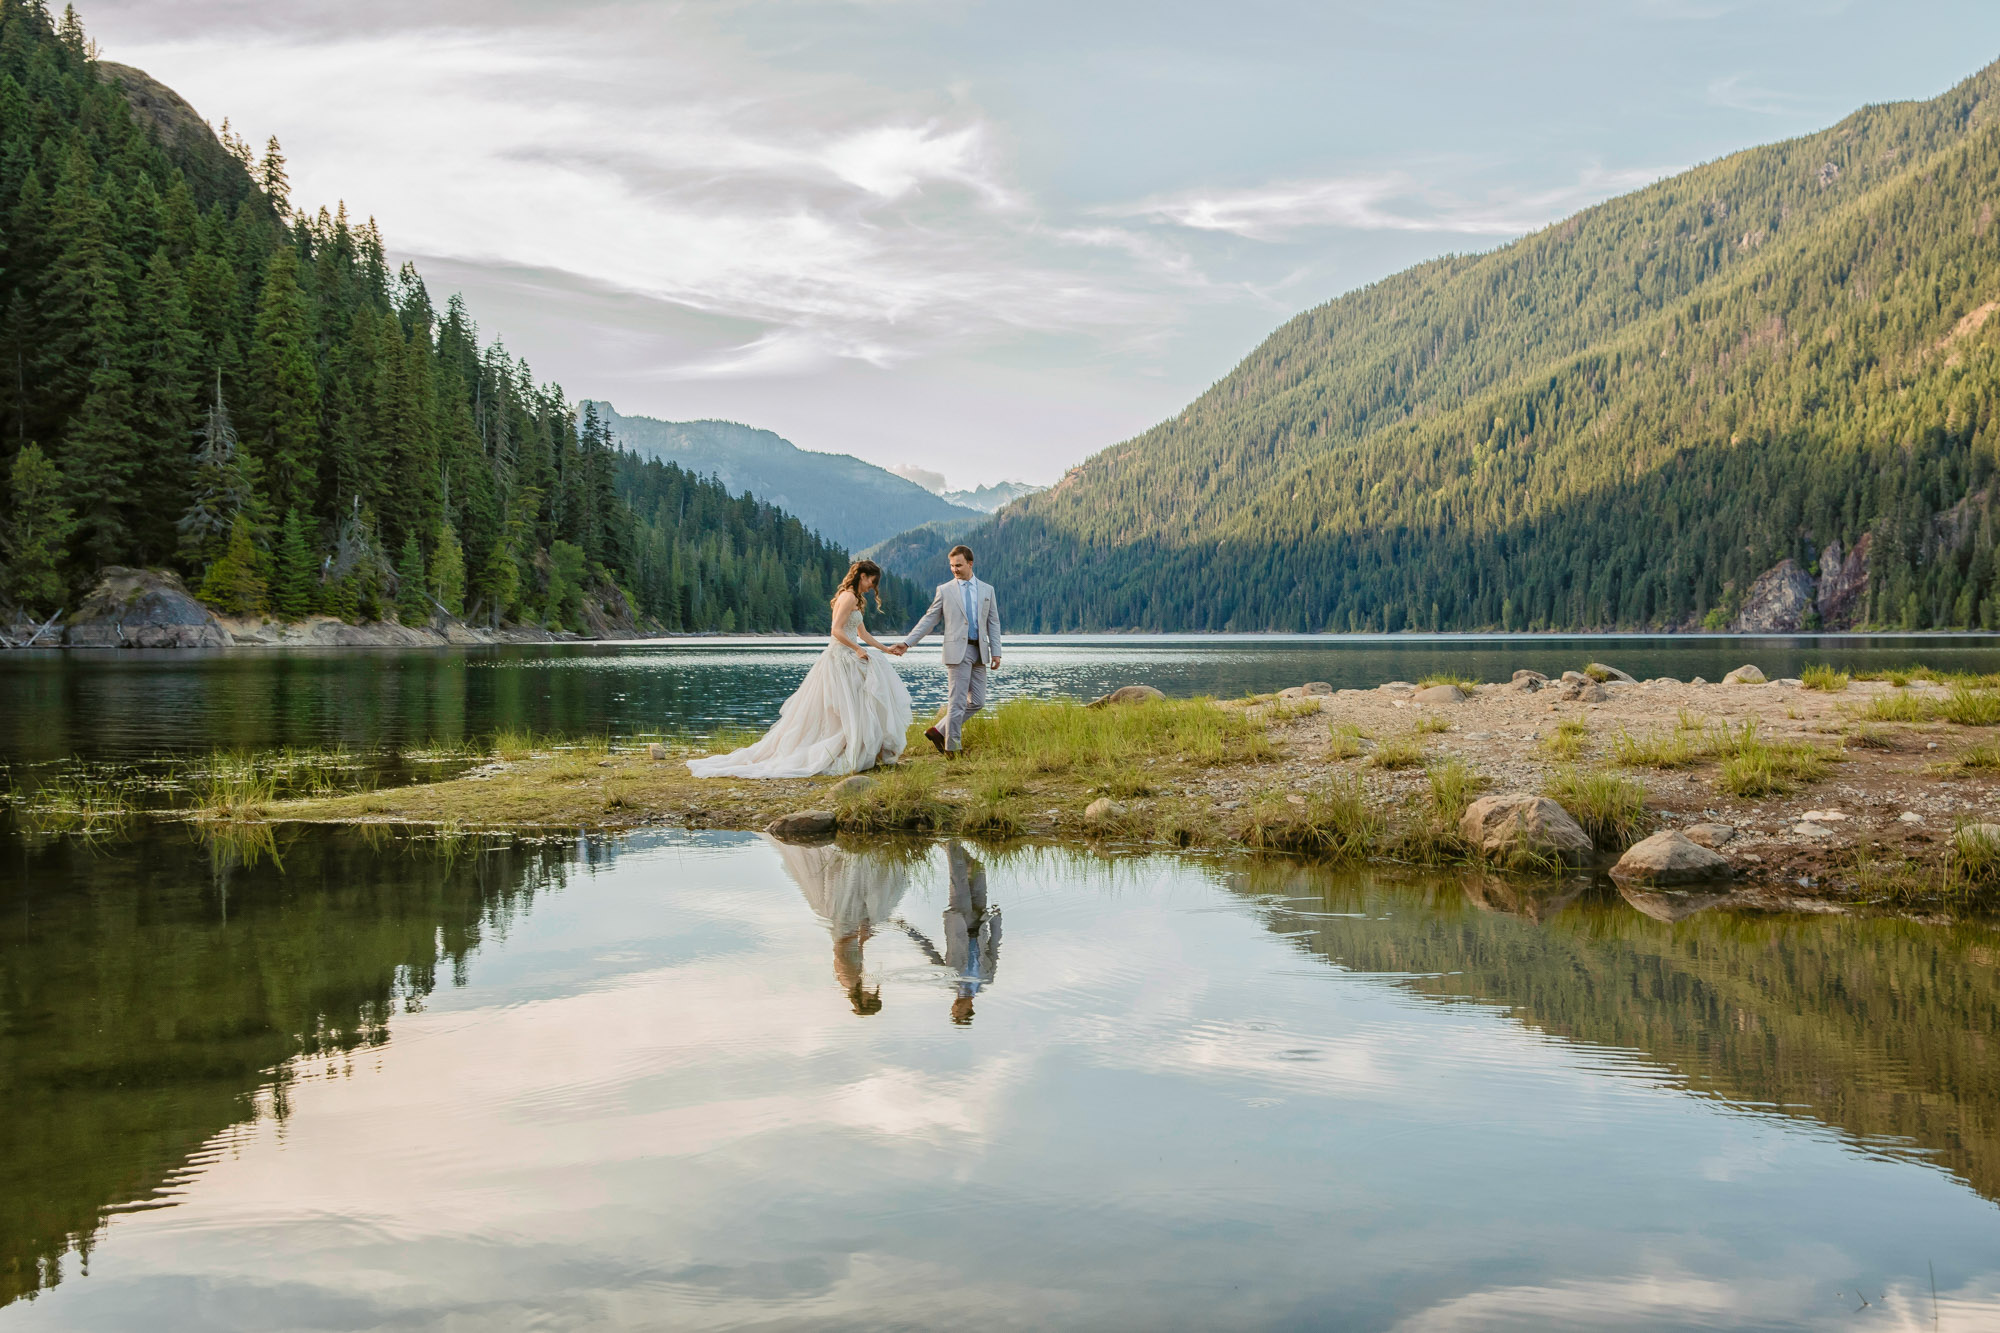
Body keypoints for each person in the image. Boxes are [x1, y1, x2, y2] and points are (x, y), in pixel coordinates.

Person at [687, 559, 913, 778]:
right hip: (839, 658)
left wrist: (885, 649)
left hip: (848, 656)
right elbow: (836, 630)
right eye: (871, 581)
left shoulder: (855, 598)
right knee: (843, 709)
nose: (872, 587)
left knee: (859, 703)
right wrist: (856, 649)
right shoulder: (848, 597)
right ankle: (842, 750)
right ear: (862, 576)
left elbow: (862, 634)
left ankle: (854, 749)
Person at [766, 836, 911, 1016]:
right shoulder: (854, 983)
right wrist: (863, 939)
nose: (872, 993)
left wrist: (859, 933)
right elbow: (853, 954)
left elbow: (841, 950)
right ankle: (860, 853)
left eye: (871, 999)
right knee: (861, 896)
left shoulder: (850, 980)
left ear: (864, 1001)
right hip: (849, 931)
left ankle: (857, 854)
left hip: (844, 928)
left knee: (850, 891)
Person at [890, 544, 1002, 757]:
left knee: (978, 701)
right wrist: (907, 643)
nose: (954, 569)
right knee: (957, 702)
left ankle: (938, 730)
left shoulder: (988, 590)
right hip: (956, 652)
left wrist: (996, 651)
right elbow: (929, 619)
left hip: (980, 651)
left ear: (970, 563)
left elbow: (993, 622)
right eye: (951, 566)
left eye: (958, 565)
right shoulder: (945, 590)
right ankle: (953, 748)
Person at [895, 842, 1001, 1025]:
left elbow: (930, 952)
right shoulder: (986, 979)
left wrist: (909, 930)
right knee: (978, 869)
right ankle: (953, 846)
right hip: (980, 918)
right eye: (959, 1012)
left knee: (958, 876)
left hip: (959, 918)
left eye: (954, 1011)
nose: (955, 1008)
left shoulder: (949, 980)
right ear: (969, 1009)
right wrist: (996, 919)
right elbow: (994, 947)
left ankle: (950, 841)